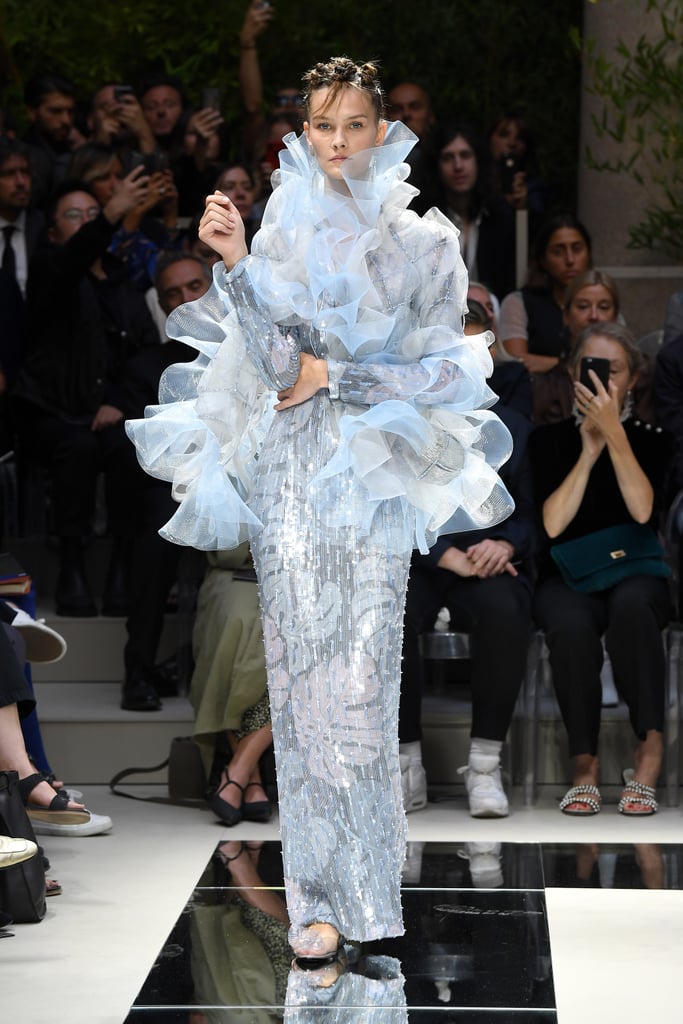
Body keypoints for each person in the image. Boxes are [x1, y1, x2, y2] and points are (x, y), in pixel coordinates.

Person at [127, 56, 512, 960]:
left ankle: (370, 896)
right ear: (303, 134)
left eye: (354, 125)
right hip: (296, 479)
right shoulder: (276, 238)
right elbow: (271, 371)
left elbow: (446, 369)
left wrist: (335, 374)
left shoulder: (425, 242)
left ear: (383, 131)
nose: (338, 143)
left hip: (374, 478)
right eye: (322, 127)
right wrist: (231, 264)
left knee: (365, 691)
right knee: (300, 693)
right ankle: (315, 908)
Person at [529, 322, 672, 817]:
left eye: (614, 371)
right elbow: (551, 525)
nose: (603, 381)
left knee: (634, 607)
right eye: (592, 369)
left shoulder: (654, 441)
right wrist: (588, 452)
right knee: (568, 623)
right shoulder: (545, 441)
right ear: (573, 374)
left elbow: (641, 512)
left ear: (632, 380)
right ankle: (584, 763)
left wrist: (614, 436)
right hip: (566, 572)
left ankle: (650, 750)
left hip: (635, 569)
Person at [11, 174, 160, 617]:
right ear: (53, 231)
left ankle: (118, 566)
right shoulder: (48, 272)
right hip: (54, 412)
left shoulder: (123, 285)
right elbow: (71, 261)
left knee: (123, 448)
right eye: (73, 216)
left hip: (110, 413)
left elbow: (145, 354)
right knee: (76, 447)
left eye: (94, 214)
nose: (88, 222)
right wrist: (112, 215)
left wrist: (118, 399)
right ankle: (72, 565)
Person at [399, 399, 535, 818]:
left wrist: (507, 543)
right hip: (419, 558)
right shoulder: (404, 417)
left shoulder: (511, 424)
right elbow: (387, 500)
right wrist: (439, 554)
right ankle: (405, 765)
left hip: (486, 559)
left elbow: (530, 511)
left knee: (506, 610)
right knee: (388, 610)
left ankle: (484, 766)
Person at [121, 251, 212, 710]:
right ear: (160, 303)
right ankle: (138, 669)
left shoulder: (249, 350)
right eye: (172, 294)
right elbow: (147, 449)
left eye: (194, 286)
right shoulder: (145, 365)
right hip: (173, 486)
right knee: (155, 532)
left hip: (246, 484)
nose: (185, 299)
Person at [432, 122, 517, 302]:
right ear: (435, 166)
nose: (458, 166)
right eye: (448, 157)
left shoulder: (500, 218)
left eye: (465, 155)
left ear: (478, 160)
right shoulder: (425, 222)